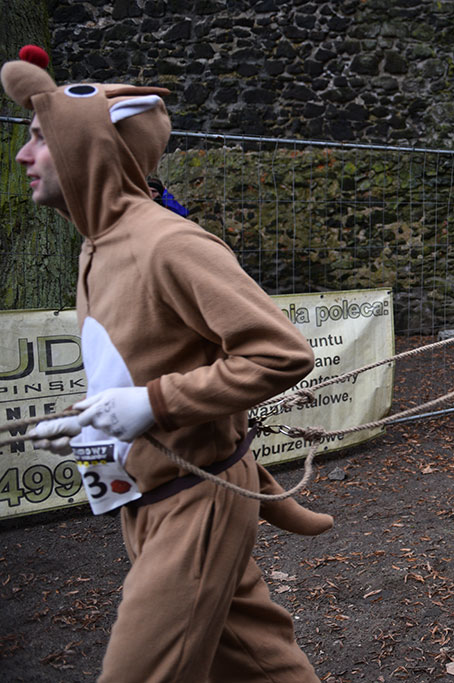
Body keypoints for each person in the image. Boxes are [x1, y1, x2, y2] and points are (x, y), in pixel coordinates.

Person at [4, 46, 330, 681]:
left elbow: (281, 353)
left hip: (193, 505)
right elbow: (141, 366)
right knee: (263, 666)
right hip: (148, 501)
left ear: (91, 149)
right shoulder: (99, 246)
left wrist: (151, 407)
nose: (22, 155)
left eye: (41, 138)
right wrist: (88, 420)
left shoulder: (168, 243)